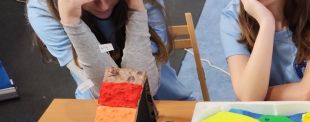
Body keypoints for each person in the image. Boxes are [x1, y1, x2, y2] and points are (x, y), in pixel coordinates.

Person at [27, 0, 193, 100]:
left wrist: (136, 9)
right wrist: (72, 23)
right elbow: (112, 93)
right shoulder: (42, 9)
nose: (103, 6)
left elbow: (146, 86)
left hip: (166, 99)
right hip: (98, 106)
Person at [220, 0, 310, 101]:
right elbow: (249, 95)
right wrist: (266, 22)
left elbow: (308, 93)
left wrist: (255, 93)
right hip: (263, 116)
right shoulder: (233, 16)